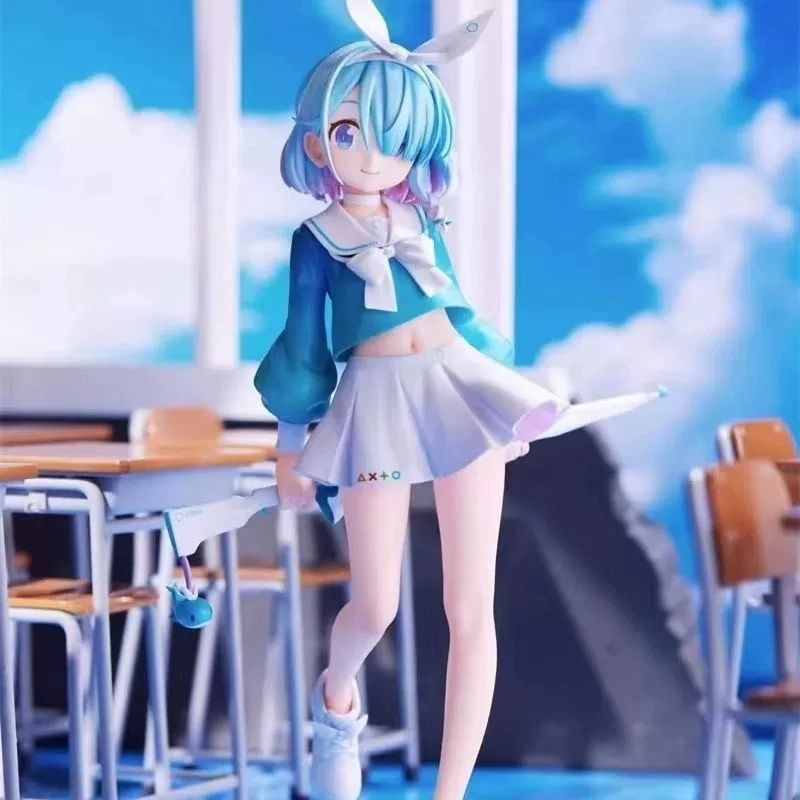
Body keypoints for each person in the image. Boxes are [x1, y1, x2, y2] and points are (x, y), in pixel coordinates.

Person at [254, 3, 663, 797]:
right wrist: (289, 446)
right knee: (374, 605)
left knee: (471, 608)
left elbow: (462, 318)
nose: (372, 155)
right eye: (350, 132)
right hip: (373, 403)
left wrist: (502, 402)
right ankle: (336, 700)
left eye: (393, 138)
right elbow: (304, 345)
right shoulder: (317, 239)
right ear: (319, 142)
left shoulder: (423, 222)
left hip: (455, 386)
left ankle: (450, 791)